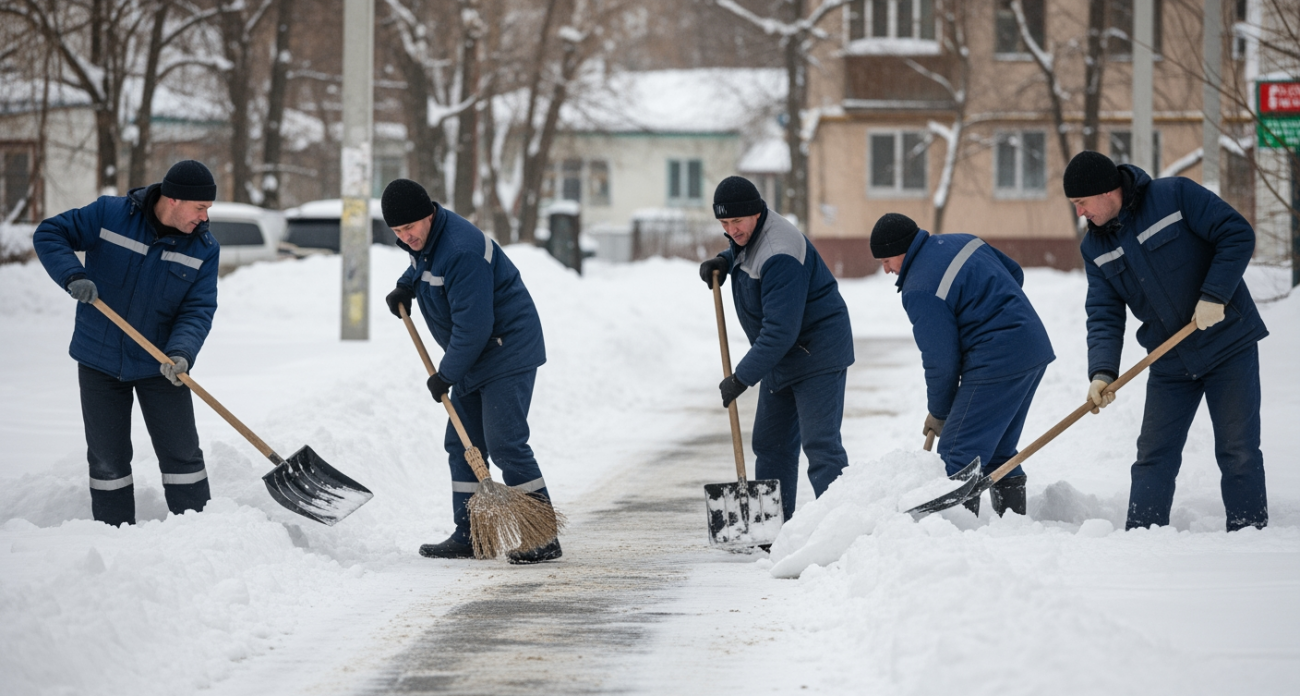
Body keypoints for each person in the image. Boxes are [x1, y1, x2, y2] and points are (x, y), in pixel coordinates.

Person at [1063, 151, 1269, 531]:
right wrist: (1102, 371)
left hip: (1228, 343)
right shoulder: (1095, 247)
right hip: (1170, 358)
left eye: (1081, 202)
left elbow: (1236, 233)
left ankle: (1248, 533)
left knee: (1237, 449)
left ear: (1106, 191)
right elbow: (1104, 312)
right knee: (1153, 455)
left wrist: (1216, 294)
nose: (1079, 213)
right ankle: (1142, 534)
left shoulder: (1175, 196)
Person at [380, 179, 559, 563]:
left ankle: (543, 535)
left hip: (506, 351)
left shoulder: (460, 250)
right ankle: (472, 535)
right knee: (463, 445)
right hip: (476, 354)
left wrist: (446, 375)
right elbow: (424, 267)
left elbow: (474, 326)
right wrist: (406, 286)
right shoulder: (427, 241)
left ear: (428, 215)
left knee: (505, 443)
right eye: (397, 230)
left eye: (409, 227)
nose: (405, 237)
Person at [33, 160, 220, 527]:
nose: (204, 217)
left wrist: (181, 353)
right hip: (98, 358)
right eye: (200, 207)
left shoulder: (203, 248)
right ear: (173, 199)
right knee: (107, 459)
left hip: (160, 363)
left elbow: (197, 309)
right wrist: (72, 275)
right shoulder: (110, 215)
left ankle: (198, 530)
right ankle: (113, 533)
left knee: (182, 454)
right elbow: (50, 233)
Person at [870, 213, 1054, 516]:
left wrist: (940, 411)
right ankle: (1014, 528)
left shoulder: (919, 288)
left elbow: (941, 361)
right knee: (997, 449)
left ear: (901, 249)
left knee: (958, 451)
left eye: (887, 260)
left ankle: (956, 535)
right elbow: (1014, 273)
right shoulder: (964, 241)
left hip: (997, 358)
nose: (887, 269)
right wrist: (996, 310)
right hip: (1032, 346)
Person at [697, 176, 853, 521]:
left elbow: (780, 331)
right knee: (771, 444)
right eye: (724, 223)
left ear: (756, 212)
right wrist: (725, 260)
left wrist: (741, 378)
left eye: (736, 221)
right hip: (782, 357)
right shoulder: (753, 233)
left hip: (816, 353)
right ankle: (773, 529)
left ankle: (842, 526)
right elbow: (745, 248)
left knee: (821, 447)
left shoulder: (779, 253)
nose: (731, 230)